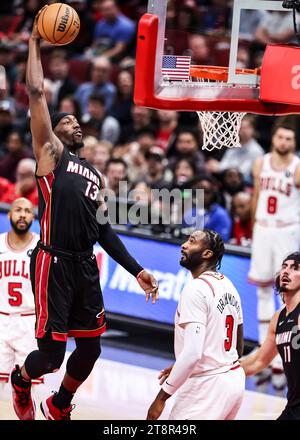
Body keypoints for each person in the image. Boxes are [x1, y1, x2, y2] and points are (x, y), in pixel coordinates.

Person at [10, 6, 159, 421]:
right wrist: (35, 41)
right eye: (68, 120)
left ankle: (59, 404)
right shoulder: (51, 155)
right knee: (52, 355)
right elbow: (37, 94)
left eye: (78, 120)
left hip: (84, 265)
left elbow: (104, 230)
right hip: (53, 261)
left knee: (92, 347)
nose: (76, 123)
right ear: (53, 132)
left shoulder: (93, 172)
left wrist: (136, 269)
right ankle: (22, 380)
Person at [147, 229, 245, 420]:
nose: (184, 245)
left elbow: (193, 354)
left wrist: (161, 398)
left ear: (207, 254)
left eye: (192, 241)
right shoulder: (229, 285)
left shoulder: (196, 289)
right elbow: (237, 348)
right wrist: (180, 367)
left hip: (207, 388)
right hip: (234, 380)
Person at [248, 122, 300, 388]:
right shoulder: (261, 163)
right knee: (262, 291)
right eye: (280, 136)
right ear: (274, 139)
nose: (283, 141)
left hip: (286, 231)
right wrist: (252, 225)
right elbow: (257, 195)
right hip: (263, 228)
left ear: (293, 142)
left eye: (288, 138)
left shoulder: (297, 166)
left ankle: (280, 358)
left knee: (285, 292)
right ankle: (262, 348)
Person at [241, 252, 300, 420]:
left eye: (295, 268)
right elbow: (259, 361)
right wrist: (217, 374)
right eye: (284, 267)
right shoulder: (278, 318)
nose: (286, 272)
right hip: (293, 407)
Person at [0, 198, 42, 387]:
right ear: (9, 215)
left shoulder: (41, 247)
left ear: (33, 217)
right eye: (18, 210)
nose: (23, 214)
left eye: (27, 211)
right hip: (1, 319)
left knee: (26, 387)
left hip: (29, 321)